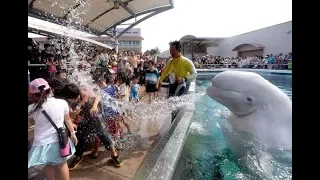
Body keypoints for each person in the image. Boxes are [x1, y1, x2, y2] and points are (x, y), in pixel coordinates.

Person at [62, 84, 123, 170]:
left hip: (93, 117)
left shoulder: (83, 93)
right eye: (73, 99)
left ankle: (114, 155)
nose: (75, 100)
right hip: (82, 121)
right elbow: (72, 115)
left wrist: (94, 105)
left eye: (76, 97)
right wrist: (80, 104)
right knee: (81, 139)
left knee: (104, 135)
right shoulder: (66, 102)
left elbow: (97, 96)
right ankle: (78, 156)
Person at [28, 78, 77, 180]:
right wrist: (72, 133)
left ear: (32, 94)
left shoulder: (31, 108)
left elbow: (32, 122)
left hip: (42, 143)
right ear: (50, 89)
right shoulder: (62, 103)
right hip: (60, 141)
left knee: (48, 164)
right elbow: (67, 120)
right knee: (62, 164)